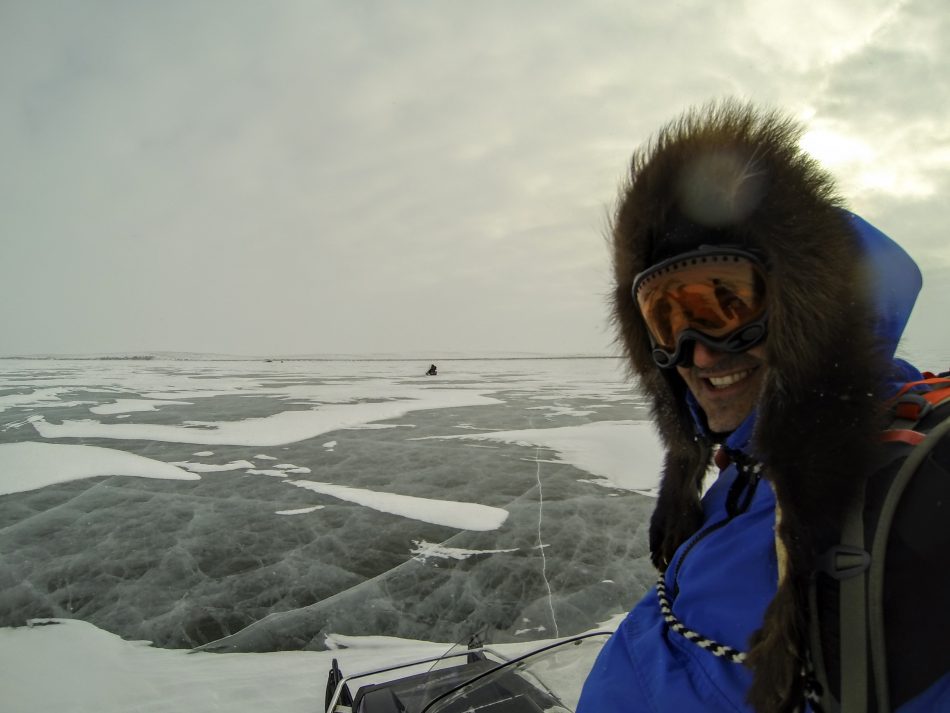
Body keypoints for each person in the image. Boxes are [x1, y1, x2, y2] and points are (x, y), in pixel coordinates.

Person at [577, 101, 949, 712]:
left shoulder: (908, 498)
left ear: (812, 311)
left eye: (724, 305)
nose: (697, 356)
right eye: (667, 320)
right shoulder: (749, 471)